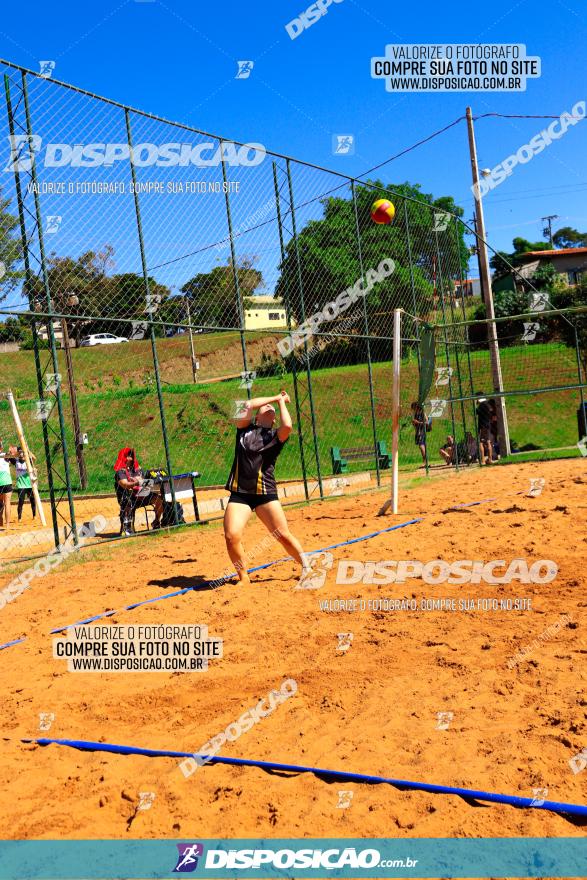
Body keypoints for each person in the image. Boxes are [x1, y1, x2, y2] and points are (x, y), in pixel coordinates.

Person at [223, 390, 307, 586]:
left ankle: (307, 567)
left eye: (273, 410)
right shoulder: (243, 428)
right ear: (257, 416)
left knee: (282, 535)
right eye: (265, 407)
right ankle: (244, 577)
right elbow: (245, 405)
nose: (270, 408)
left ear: (274, 417)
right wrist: (276, 397)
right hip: (240, 494)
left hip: (265, 494)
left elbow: (287, 425)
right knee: (231, 535)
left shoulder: (276, 435)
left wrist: (281, 403)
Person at [114, 447, 164, 536]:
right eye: (127, 456)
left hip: (141, 494)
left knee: (159, 499)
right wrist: (137, 482)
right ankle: (127, 528)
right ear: (123, 457)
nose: (130, 458)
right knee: (127, 502)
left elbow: (143, 480)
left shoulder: (137, 469)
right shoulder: (120, 471)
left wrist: (147, 480)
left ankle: (156, 521)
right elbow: (125, 484)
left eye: (131, 456)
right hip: (128, 497)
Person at [12, 446, 36, 521]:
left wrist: (28, 450)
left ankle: (34, 515)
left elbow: (34, 458)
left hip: (29, 484)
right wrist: (15, 452)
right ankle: (19, 518)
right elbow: (10, 457)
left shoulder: (28, 461)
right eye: (20, 452)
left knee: (32, 500)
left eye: (22, 452)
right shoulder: (16, 461)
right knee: (21, 501)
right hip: (21, 485)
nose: (21, 453)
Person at [476, 394, 493, 465]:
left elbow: (476, 412)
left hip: (482, 426)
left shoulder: (481, 405)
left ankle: (482, 460)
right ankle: (490, 459)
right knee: (488, 442)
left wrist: (476, 404)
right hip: (488, 425)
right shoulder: (488, 405)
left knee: (480, 443)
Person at [0, 439, 13, 530]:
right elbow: (14, 458)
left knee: (0, 503)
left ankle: (0, 521)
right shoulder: (5, 456)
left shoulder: (5, 456)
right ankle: (8, 525)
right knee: (7, 503)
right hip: (7, 482)